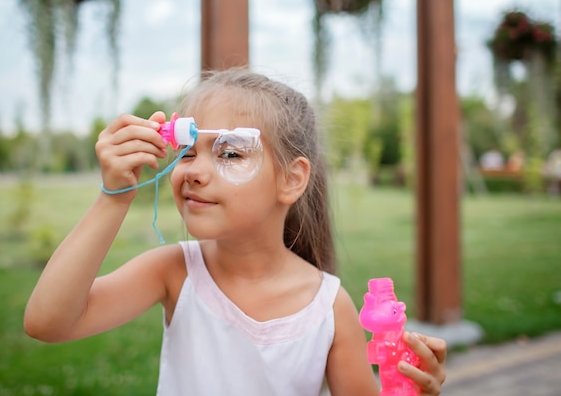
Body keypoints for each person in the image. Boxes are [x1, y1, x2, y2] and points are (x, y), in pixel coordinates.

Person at [24, 68, 447, 396]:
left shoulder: (328, 307)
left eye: (229, 152)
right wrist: (114, 198)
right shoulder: (175, 272)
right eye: (187, 150)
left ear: (291, 180)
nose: (194, 171)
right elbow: (48, 322)